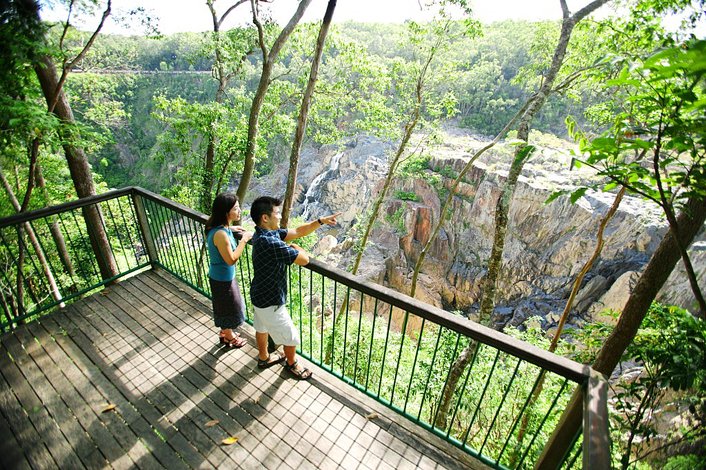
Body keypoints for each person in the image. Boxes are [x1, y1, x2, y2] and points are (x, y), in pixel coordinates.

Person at [250, 196, 339, 380]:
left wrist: (320, 221)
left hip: (258, 294)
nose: (279, 216)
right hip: (271, 300)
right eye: (276, 213)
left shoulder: (263, 234)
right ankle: (292, 364)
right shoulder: (271, 243)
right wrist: (299, 249)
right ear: (265, 218)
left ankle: (264, 357)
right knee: (290, 335)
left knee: (261, 327)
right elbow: (304, 260)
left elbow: (298, 231)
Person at [205, 193, 253, 348]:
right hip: (222, 279)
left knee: (225, 306)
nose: (239, 211)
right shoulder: (221, 234)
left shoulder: (219, 228)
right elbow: (231, 259)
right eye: (236, 208)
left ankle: (225, 332)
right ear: (226, 212)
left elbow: (219, 233)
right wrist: (244, 239)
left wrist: (230, 228)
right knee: (229, 307)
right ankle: (229, 336)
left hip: (221, 276)